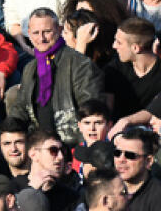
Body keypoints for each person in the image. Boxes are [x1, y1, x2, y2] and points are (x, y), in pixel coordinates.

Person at [6, 9, 103, 145]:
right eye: (36, 33)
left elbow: (90, 110)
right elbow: (20, 109)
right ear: (29, 34)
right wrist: (7, 133)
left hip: (71, 143)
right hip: (40, 145)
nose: (41, 38)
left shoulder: (80, 64)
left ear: (59, 30)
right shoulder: (29, 68)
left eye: (47, 31)